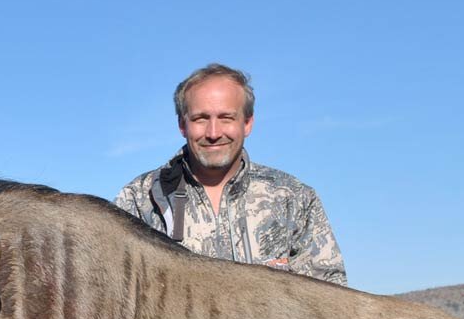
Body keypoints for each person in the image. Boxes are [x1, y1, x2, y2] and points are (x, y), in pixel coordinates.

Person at [115, 63, 347, 286]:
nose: (213, 133)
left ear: (247, 123)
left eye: (226, 118)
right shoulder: (139, 199)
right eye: (200, 118)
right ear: (182, 125)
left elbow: (330, 302)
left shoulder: (295, 199)